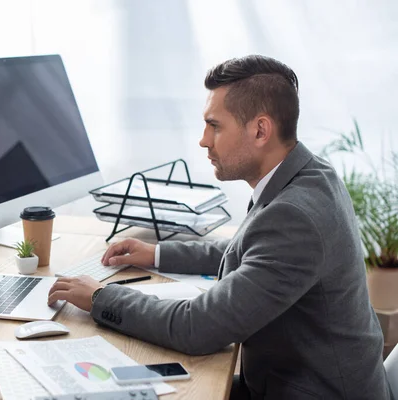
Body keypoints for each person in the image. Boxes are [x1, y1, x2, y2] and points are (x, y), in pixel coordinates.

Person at [48, 55, 391, 399]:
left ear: (260, 130)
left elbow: (197, 328)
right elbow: (252, 251)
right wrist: (157, 253)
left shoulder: (295, 216)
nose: (203, 140)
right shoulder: (307, 174)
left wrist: (100, 297)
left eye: (215, 126)